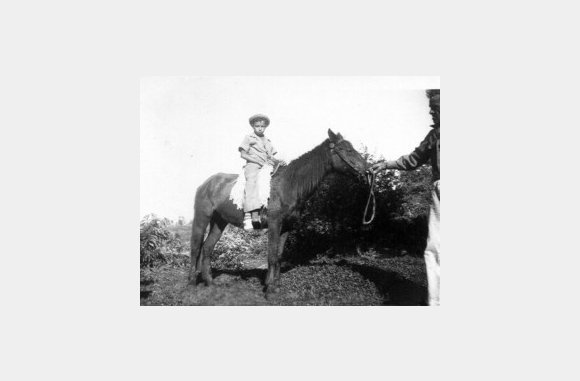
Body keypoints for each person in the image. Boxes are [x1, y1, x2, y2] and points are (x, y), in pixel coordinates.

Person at [372, 90, 440, 306]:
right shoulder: (434, 136)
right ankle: (436, 302)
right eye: (432, 108)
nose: (432, 112)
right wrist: (385, 165)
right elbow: (413, 160)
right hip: (441, 191)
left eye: (437, 107)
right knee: (435, 249)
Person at [239, 114, 285, 229]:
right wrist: (257, 161)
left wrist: (279, 161)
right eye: (257, 126)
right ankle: (251, 214)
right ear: (253, 126)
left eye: (262, 126)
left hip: (266, 165)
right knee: (252, 180)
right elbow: (243, 154)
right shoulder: (249, 138)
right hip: (253, 165)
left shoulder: (267, 141)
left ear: (265, 127)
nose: (260, 128)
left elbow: (271, 157)